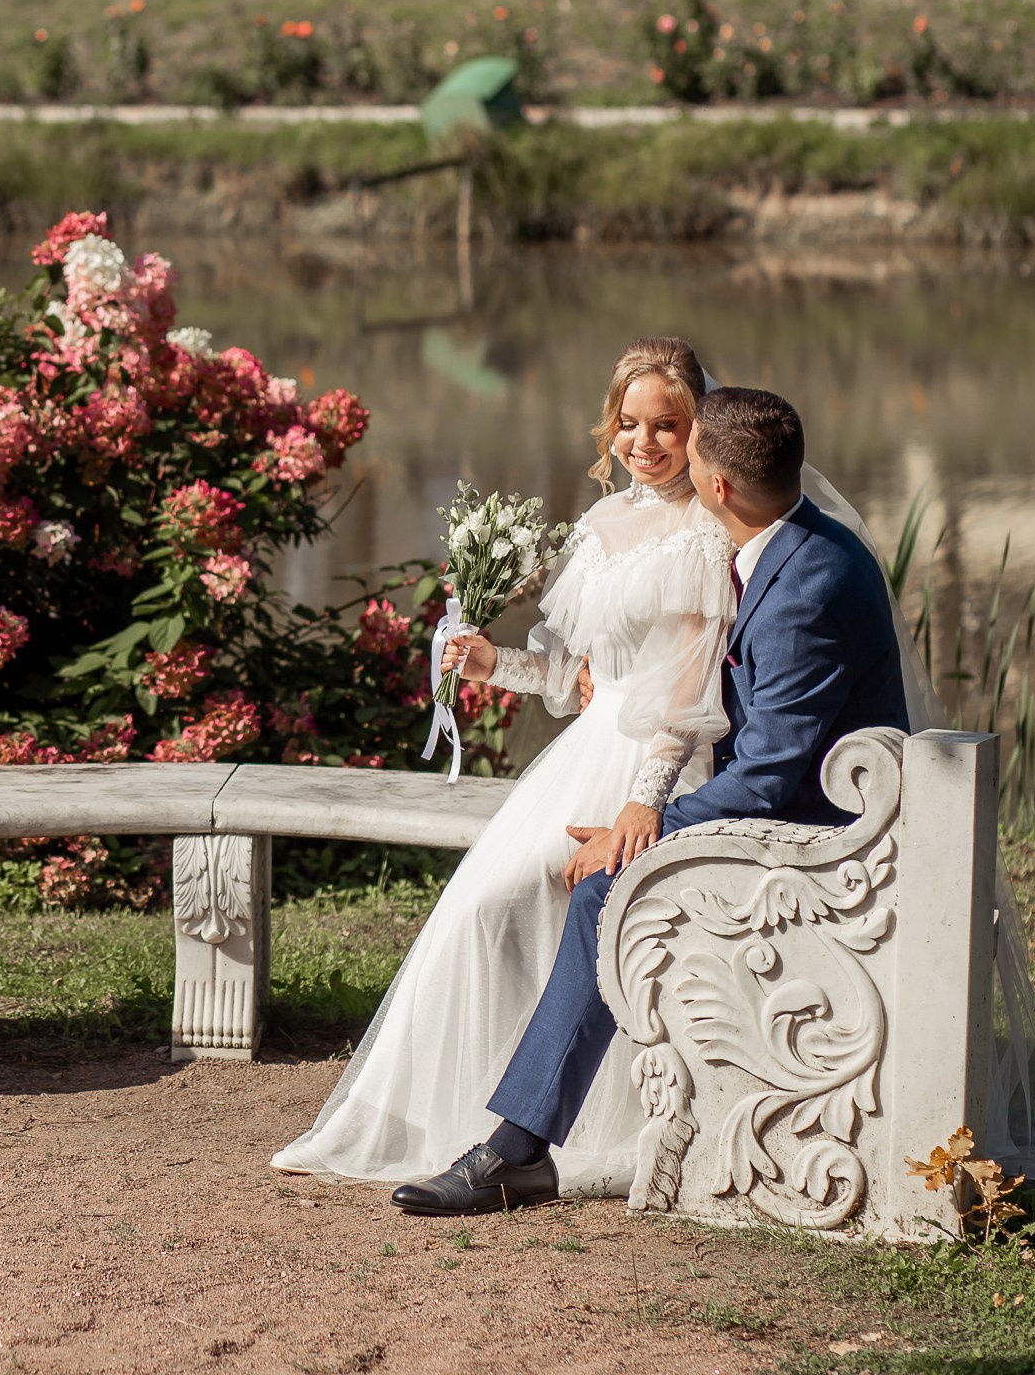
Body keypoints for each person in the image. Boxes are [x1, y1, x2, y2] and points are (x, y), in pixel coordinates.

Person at [386, 384, 915, 1217]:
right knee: (594, 883)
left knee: (609, 891)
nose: (667, 457)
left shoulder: (804, 584)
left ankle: (514, 1150)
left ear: (721, 489)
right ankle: (518, 1140)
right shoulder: (789, 549)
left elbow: (772, 775)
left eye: (690, 447)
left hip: (821, 835)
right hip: (791, 800)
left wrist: (650, 825)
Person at [272, 339, 738, 1192]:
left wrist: (644, 805)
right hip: (586, 749)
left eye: (666, 425)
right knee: (482, 909)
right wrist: (493, 665)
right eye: (630, 424)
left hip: (658, 767)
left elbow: (687, 694)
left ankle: (550, 1133)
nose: (644, 443)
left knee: (561, 908)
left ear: (697, 427)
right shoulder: (601, 527)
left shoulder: (707, 536)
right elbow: (571, 674)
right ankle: (458, 1118)